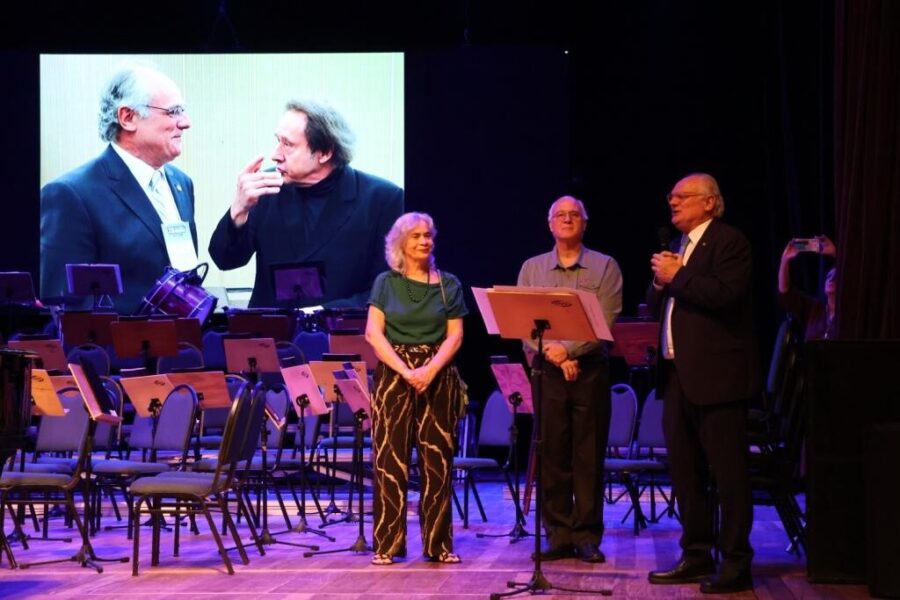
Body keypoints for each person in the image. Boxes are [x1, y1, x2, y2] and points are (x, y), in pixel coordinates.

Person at [647, 173, 758, 594]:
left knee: (728, 475)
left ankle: (735, 562)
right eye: (671, 195)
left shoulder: (730, 242)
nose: (672, 201)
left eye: (682, 196)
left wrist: (678, 275)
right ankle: (696, 554)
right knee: (686, 475)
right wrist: (661, 281)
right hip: (677, 377)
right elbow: (660, 302)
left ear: (710, 202)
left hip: (719, 378)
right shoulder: (680, 247)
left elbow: (727, 295)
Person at [208, 99, 404, 309]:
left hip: (338, 335)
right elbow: (225, 260)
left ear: (325, 152)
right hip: (271, 335)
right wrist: (239, 210)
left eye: (288, 144)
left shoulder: (383, 200)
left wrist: (321, 313)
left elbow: (390, 291)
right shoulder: (266, 187)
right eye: (278, 141)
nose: (275, 155)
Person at [516, 195, 623, 563]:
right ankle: (558, 535)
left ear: (584, 222)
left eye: (574, 214)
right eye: (559, 215)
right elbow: (523, 322)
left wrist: (569, 352)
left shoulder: (605, 266)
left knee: (587, 455)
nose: (566, 219)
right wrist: (553, 353)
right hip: (547, 371)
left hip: (590, 371)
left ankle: (587, 536)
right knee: (552, 454)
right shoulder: (532, 268)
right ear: (549, 224)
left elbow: (604, 323)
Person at [41, 64, 196, 314]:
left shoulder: (182, 184)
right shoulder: (71, 194)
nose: (186, 122)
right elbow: (66, 304)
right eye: (173, 111)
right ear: (128, 117)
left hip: (184, 346)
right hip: (118, 350)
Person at [364, 212, 467, 566]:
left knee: (437, 461)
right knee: (389, 461)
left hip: (437, 374)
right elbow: (373, 334)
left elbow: (455, 335)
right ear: (400, 244)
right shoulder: (386, 282)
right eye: (416, 236)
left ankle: (438, 544)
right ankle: (388, 544)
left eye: (428, 235)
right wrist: (407, 371)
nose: (424, 241)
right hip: (395, 375)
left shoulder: (448, 284)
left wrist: (429, 369)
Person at [778, 235, 837, 340]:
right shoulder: (815, 310)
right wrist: (784, 261)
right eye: (829, 276)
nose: (831, 278)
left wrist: (834, 252)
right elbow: (785, 292)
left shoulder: (851, 312)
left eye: (836, 276)